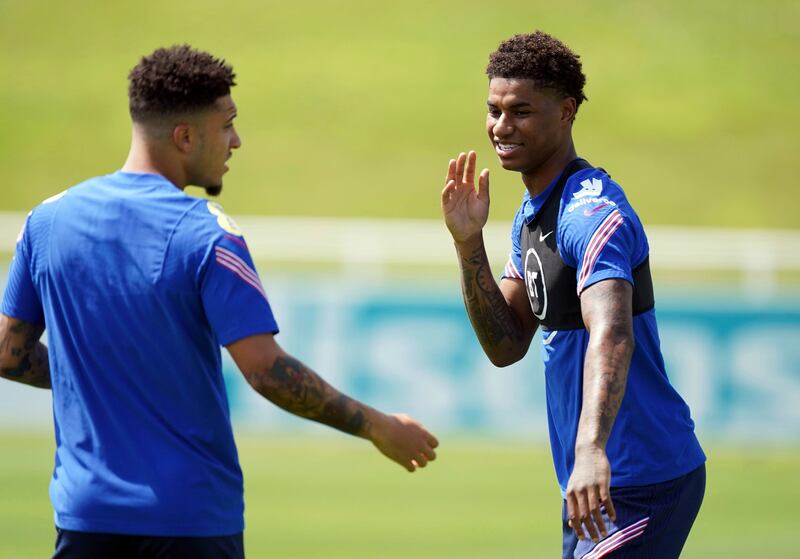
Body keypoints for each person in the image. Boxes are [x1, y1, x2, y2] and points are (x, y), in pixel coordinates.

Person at [0, 45, 438, 559]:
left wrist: (101, 373)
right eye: (227, 124)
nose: (236, 141)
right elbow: (266, 370)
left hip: (84, 518)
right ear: (185, 136)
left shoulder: (46, 221)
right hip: (189, 522)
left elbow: (9, 353)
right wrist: (378, 426)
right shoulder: (205, 233)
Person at [441, 31, 706, 558]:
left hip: (639, 476)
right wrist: (469, 243)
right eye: (494, 110)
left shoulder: (592, 214)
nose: (501, 126)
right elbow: (506, 344)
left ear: (565, 111)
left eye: (520, 111)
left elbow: (612, 333)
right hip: (595, 485)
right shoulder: (534, 214)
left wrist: (590, 449)